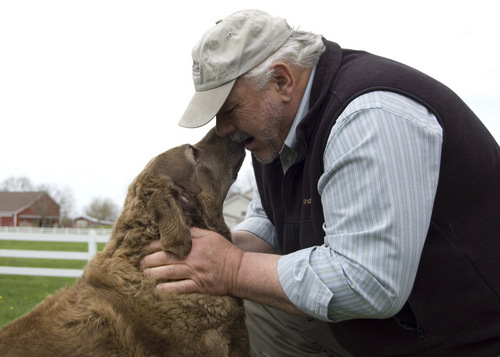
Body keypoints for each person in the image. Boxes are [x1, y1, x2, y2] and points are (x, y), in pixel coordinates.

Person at [141, 9, 500, 356]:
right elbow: (271, 222)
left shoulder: (368, 117)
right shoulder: (275, 131)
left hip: (467, 337)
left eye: (229, 110)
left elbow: (369, 281)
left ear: (281, 81)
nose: (221, 130)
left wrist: (231, 267)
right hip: (389, 334)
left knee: (245, 286)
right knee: (255, 307)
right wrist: (212, 251)